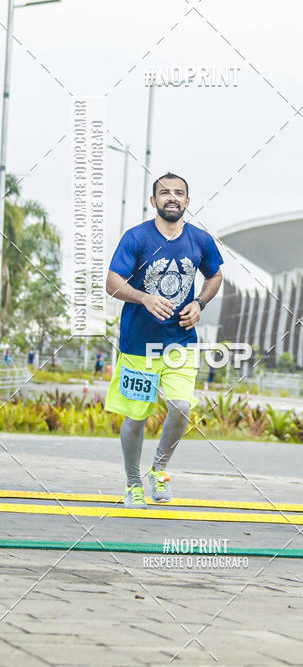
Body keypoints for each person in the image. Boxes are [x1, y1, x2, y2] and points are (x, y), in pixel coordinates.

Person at [105, 172, 223, 509]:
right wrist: (143, 298)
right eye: (164, 192)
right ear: (153, 200)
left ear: (187, 201)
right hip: (137, 345)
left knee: (181, 407)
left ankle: (159, 469)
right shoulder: (136, 237)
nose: (172, 197)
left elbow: (215, 275)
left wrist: (200, 303)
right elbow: (113, 283)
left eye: (179, 193)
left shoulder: (200, 240)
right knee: (136, 417)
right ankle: (132, 484)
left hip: (180, 343)